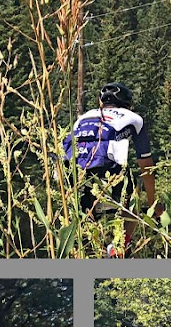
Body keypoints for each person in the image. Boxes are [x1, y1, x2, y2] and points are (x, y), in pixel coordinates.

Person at [63, 82, 159, 254]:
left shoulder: (82, 118)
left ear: (101, 102)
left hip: (72, 171)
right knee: (133, 198)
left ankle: (89, 249)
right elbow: (146, 164)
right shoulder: (133, 118)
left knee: (84, 215)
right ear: (127, 104)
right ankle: (120, 246)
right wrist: (152, 203)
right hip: (106, 168)